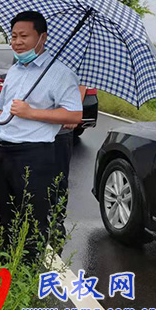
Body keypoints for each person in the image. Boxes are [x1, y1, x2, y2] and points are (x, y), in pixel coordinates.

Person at [0, 11, 82, 264]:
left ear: (42, 38)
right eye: (13, 36)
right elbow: (2, 109)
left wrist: (32, 112)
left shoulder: (60, 73)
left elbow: (74, 114)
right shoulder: (16, 69)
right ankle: (4, 268)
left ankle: (26, 276)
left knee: (31, 219)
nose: (17, 41)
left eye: (24, 36)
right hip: (4, 152)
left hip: (34, 155)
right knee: (5, 215)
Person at [52, 85, 86, 247]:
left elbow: (82, 83)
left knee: (59, 178)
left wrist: (74, 111)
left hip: (61, 130)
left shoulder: (74, 62)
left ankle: (57, 219)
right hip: (35, 128)